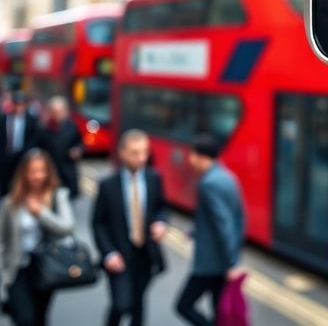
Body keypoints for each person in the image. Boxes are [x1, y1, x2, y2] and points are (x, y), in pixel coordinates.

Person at [92, 129, 167, 326]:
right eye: (135, 153)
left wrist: (161, 223)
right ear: (122, 152)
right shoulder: (108, 185)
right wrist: (109, 253)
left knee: (138, 304)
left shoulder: (154, 179)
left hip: (145, 254)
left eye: (145, 152)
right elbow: (98, 222)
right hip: (119, 255)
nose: (141, 158)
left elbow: (161, 208)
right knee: (121, 304)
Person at [0, 149, 75, 326]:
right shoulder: (11, 202)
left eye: (42, 171)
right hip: (17, 268)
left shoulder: (58, 196)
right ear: (24, 173)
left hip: (45, 268)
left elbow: (67, 227)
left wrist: (41, 213)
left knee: (39, 317)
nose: (37, 176)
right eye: (33, 171)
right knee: (24, 318)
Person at [176, 135, 245, 326]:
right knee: (220, 312)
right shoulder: (228, 177)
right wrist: (194, 232)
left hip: (210, 264)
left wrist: (232, 262)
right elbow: (237, 218)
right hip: (222, 261)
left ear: (201, 157)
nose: (190, 160)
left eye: (192, 156)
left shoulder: (208, 184)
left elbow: (223, 224)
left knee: (183, 305)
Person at [41, 97, 83, 199]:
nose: (58, 114)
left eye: (60, 111)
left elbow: (79, 142)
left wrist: (78, 150)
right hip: (50, 171)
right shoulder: (45, 128)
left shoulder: (71, 126)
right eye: (55, 111)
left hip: (68, 171)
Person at [0, 93, 40, 197]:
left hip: (22, 157)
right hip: (5, 157)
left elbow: (34, 139)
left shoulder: (32, 120)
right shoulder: (4, 118)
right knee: (5, 185)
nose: (19, 107)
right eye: (17, 104)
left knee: (20, 184)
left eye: (21, 104)